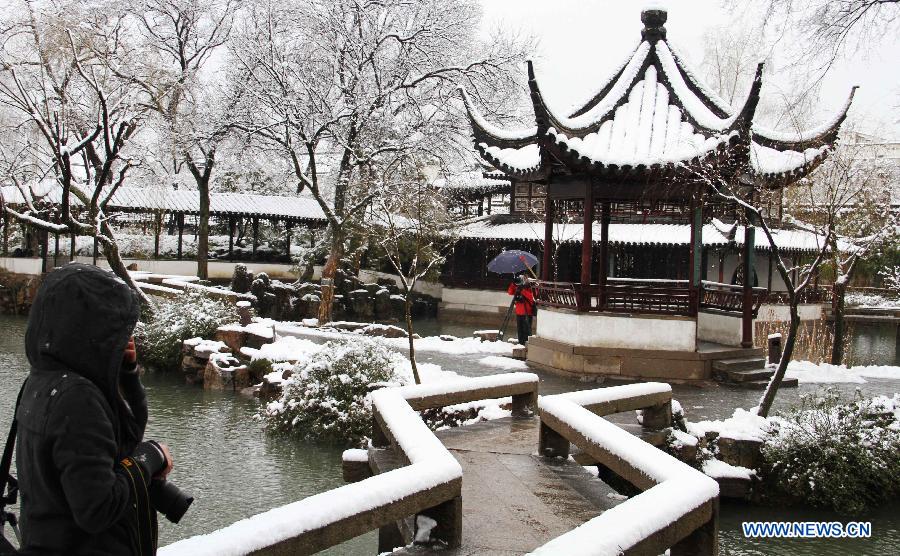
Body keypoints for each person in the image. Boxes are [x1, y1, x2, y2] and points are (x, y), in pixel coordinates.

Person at [15, 263, 173, 555]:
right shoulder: (77, 399)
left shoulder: (43, 380)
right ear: (90, 328)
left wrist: (126, 373)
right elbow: (97, 508)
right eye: (117, 330)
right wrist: (150, 459)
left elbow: (125, 439)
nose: (124, 338)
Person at [507, 274, 535, 345]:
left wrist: (522, 290)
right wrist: (513, 284)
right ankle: (520, 344)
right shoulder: (518, 287)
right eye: (522, 279)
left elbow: (532, 297)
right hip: (519, 312)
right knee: (520, 331)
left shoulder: (531, 287)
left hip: (527, 312)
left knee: (526, 331)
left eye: (525, 279)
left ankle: (526, 345)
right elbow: (510, 292)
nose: (523, 280)